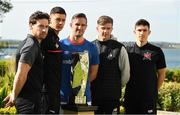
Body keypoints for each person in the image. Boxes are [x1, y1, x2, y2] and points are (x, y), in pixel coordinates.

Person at [3, 11, 49, 113]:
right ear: (31, 26)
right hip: (29, 103)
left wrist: (14, 93)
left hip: (30, 101)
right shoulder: (31, 45)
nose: (44, 30)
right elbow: (21, 74)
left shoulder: (32, 44)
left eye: (46, 26)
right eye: (41, 26)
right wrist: (14, 96)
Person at [124, 19, 166, 114]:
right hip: (130, 97)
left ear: (149, 32)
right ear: (134, 32)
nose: (142, 33)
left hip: (148, 99)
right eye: (139, 30)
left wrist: (153, 90)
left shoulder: (157, 51)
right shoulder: (127, 51)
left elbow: (162, 73)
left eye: (145, 30)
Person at [91, 15, 130, 114]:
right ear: (97, 28)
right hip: (94, 96)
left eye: (108, 28)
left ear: (112, 29)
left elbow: (125, 73)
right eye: (103, 28)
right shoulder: (90, 46)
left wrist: (115, 85)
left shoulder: (119, 48)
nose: (106, 31)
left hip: (112, 97)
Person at [60, 13, 99, 105]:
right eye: (77, 24)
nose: (80, 27)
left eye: (83, 25)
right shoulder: (60, 45)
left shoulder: (92, 48)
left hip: (83, 98)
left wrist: (80, 86)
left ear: (86, 27)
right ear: (70, 25)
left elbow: (93, 73)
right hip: (62, 97)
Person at [41, 6, 66, 114]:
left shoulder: (55, 39)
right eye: (58, 19)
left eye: (63, 20)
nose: (61, 23)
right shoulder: (45, 37)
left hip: (54, 92)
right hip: (45, 92)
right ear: (50, 19)